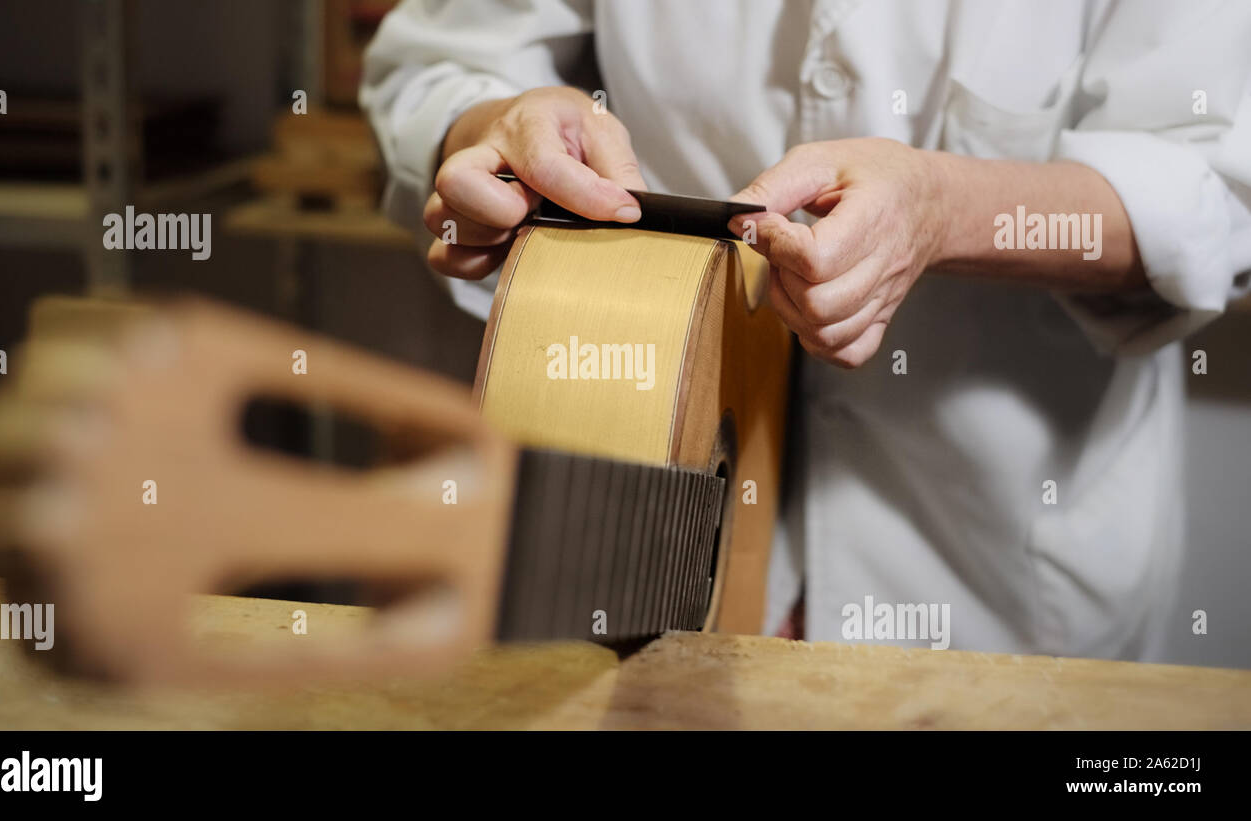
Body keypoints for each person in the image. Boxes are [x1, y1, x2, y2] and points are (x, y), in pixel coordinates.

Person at [360, 0, 1251, 659]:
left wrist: (945, 209)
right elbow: (433, 65)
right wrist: (490, 130)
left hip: (1001, 582)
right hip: (649, 542)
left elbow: (1214, 185)